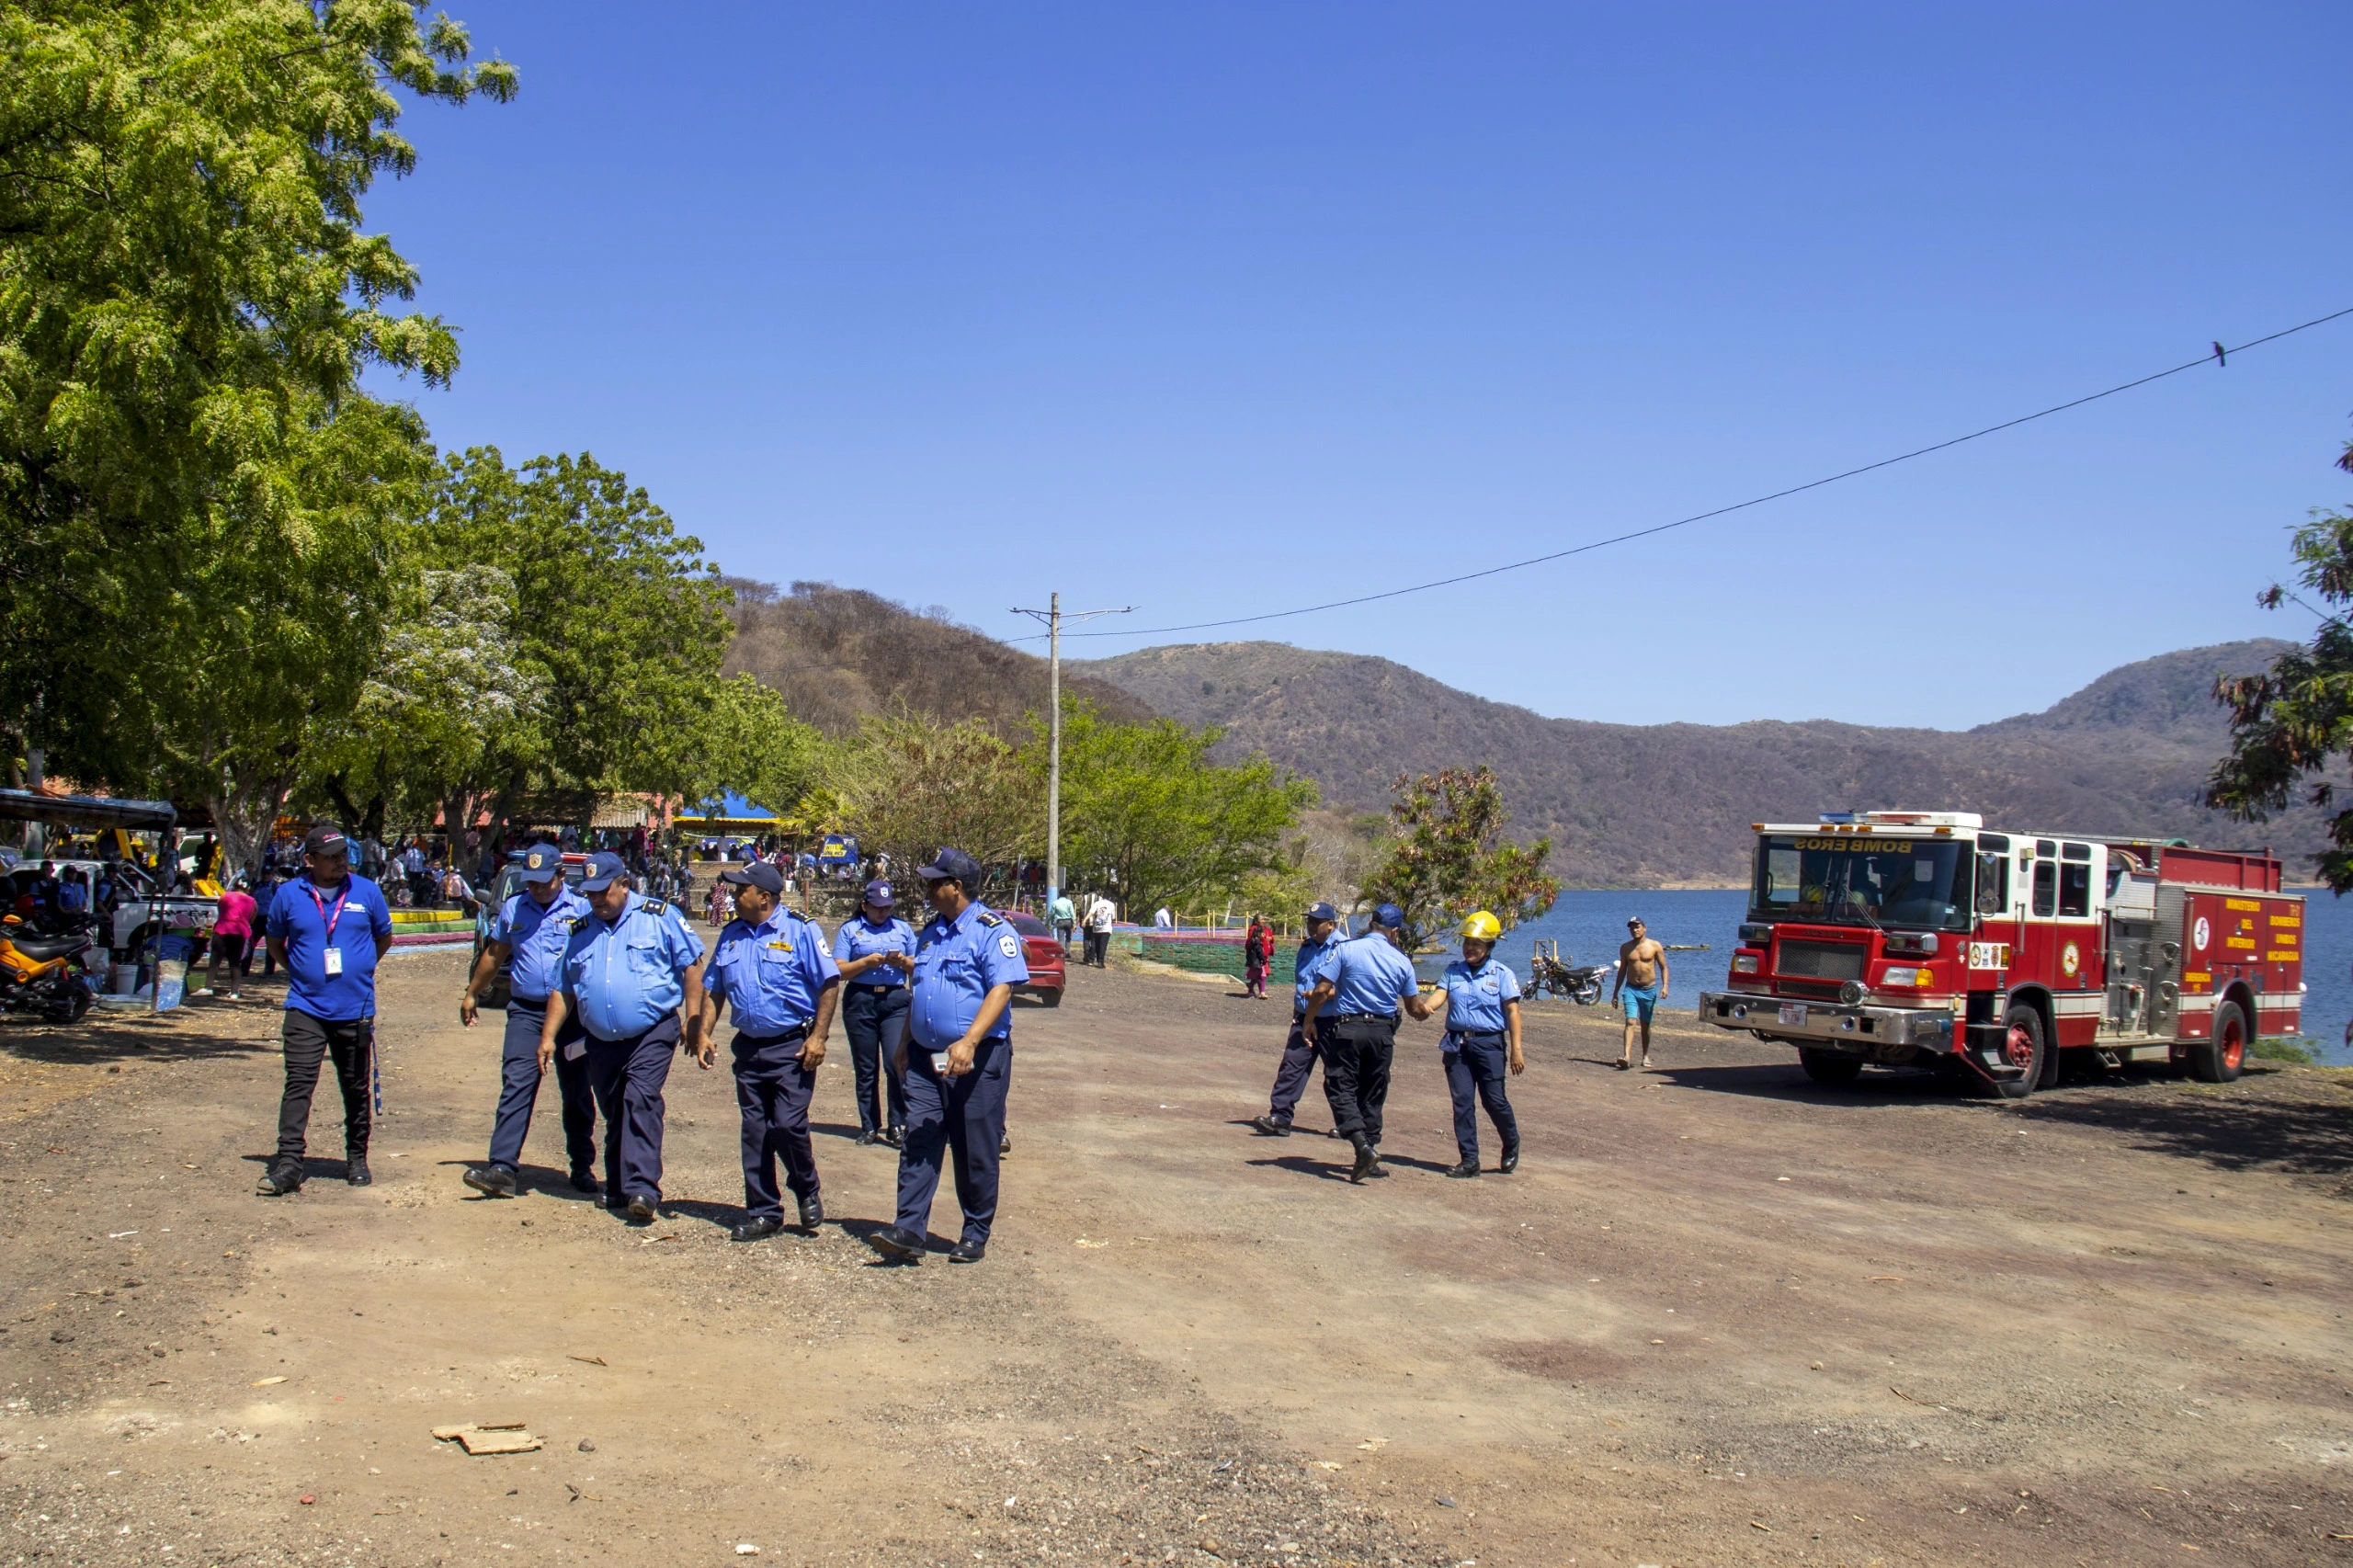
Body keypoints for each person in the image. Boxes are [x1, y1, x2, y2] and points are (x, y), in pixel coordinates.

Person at [864, 846, 1028, 1266]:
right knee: (919, 1137)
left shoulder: (993, 931)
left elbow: (1002, 989)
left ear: (956, 887)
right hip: (923, 1057)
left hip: (977, 1058)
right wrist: (904, 1042)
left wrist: (970, 1041)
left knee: (975, 1147)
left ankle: (975, 1230)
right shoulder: (930, 933)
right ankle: (909, 1229)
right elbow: (920, 992)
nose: (928, 887)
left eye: (935, 881)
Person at [540, 852, 708, 1222]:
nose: (597, 900)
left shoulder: (659, 917)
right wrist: (549, 1036)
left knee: (640, 1099)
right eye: (590, 894)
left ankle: (643, 1188)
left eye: (604, 891)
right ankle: (617, 1187)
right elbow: (563, 989)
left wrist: (694, 1021)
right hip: (600, 1039)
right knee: (615, 1108)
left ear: (624, 885)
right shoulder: (580, 931)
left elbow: (693, 967)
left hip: (652, 1030)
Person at [698, 861, 840, 1243]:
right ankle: (764, 1212)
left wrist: (819, 1037)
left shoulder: (800, 930)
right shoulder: (730, 934)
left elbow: (828, 983)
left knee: (788, 1125)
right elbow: (714, 987)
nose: (731, 894)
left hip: (792, 1046)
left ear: (763, 897)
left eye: (739, 888)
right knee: (756, 1132)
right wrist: (704, 1032)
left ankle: (806, 1186)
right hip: (749, 1048)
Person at [256, 826, 394, 1196]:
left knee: (354, 1086)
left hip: (355, 1008)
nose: (339, 861)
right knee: (299, 1084)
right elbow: (274, 942)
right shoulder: (288, 894)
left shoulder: (367, 891)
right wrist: (301, 973)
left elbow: (384, 937)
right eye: (330, 856)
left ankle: (356, 1158)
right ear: (309, 861)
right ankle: (288, 1164)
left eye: (342, 854)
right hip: (305, 1007)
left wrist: (360, 968)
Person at [459, 844, 598, 1199]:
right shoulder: (513, 908)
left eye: (544, 882)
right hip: (526, 1012)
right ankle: (503, 1168)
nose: (537, 888)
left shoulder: (583, 908)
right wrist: (474, 991)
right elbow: (495, 953)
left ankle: (581, 1166)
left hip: (573, 1018)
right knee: (516, 1084)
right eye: (531, 882)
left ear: (561, 875)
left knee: (578, 1091)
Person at [1302, 903, 1435, 1184]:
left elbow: (1322, 990)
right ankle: (1370, 1150)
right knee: (1373, 1090)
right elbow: (1414, 1009)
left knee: (1339, 1085)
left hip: (1348, 1028)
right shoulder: (1401, 960)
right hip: (1382, 1033)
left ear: (1372, 923)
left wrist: (1308, 1020)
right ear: (1395, 932)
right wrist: (1429, 1010)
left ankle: (1362, 1146)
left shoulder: (1347, 950)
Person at [1437, 912, 1524, 1178]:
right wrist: (1421, 1007)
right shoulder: (1453, 971)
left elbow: (1512, 1013)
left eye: (1476, 944)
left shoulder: (1502, 974)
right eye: (1466, 943)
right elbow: (1438, 997)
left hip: (1489, 1045)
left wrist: (1517, 1050)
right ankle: (1469, 1160)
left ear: (1489, 947)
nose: (1469, 949)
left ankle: (1511, 1142)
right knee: (1462, 1102)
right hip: (1457, 1045)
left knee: (1494, 1101)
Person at [833, 880, 916, 1147]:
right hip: (861, 1000)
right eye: (878, 907)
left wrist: (903, 961)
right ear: (864, 905)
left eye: (888, 907)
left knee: (896, 1062)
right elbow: (838, 970)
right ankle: (869, 1126)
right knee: (866, 1067)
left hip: (894, 1000)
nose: (883, 912)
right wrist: (865, 963)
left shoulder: (902, 929)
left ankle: (897, 1124)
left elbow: (919, 967)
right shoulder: (851, 930)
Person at [1250, 902, 1346, 1136]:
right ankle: (1280, 1117)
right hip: (1303, 1018)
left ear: (1331, 925)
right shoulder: (1307, 946)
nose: (1310, 926)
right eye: (1309, 921)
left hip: (1332, 1019)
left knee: (1338, 1073)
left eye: (1316, 922)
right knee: (1292, 1066)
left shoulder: (1344, 949)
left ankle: (1349, 1125)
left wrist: (1320, 995)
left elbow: (1350, 988)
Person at [1611, 915, 1669, 1071]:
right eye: (1631, 928)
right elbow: (1622, 970)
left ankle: (1645, 1055)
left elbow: (1664, 967)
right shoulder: (1625, 948)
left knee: (1645, 1024)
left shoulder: (1655, 946)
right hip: (1631, 989)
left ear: (1644, 928)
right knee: (1630, 1021)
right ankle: (1626, 1057)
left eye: (1637, 927)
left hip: (1649, 990)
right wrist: (1615, 993)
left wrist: (1665, 987)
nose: (1634, 930)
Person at [199, 877, 257, 1000]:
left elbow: (220, 910)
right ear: (247, 888)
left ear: (236, 886)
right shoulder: (252, 901)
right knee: (235, 963)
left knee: (215, 960)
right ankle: (234, 992)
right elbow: (252, 918)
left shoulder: (225, 896)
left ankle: (208, 987)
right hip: (240, 932)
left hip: (222, 929)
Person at [1243, 915, 1273, 1000]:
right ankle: (1261, 992)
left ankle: (1255, 990)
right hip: (1258, 958)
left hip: (1263, 957)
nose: (1263, 920)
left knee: (1260, 975)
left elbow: (1271, 936)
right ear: (1256, 921)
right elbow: (1250, 943)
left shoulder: (1265, 928)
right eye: (1261, 919)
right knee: (1261, 975)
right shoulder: (1254, 931)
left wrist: (1270, 938)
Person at [1082, 892, 1116, 968]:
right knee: (1103, 945)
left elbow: (1090, 912)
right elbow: (1113, 917)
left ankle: (1091, 960)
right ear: (1110, 897)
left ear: (1102, 896)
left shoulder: (1097, 903)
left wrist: (1084, 920)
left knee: (1095, 945)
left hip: (1096, 928)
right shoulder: (1111, 904)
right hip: (1106, 928)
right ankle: (1100, 962)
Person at [1049, 889, 1076, 953]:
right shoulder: (1069, 902)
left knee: (1061, 938)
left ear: (1059, 894)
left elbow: (1052, 913)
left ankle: (1061, 953)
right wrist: (1074, 922)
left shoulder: (1055, 902)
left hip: (1060, 921)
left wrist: (1048, 921)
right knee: (1068, 937)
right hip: (1068, 921)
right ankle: (1067, 952)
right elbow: (1072, 913)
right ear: (1066, 895)